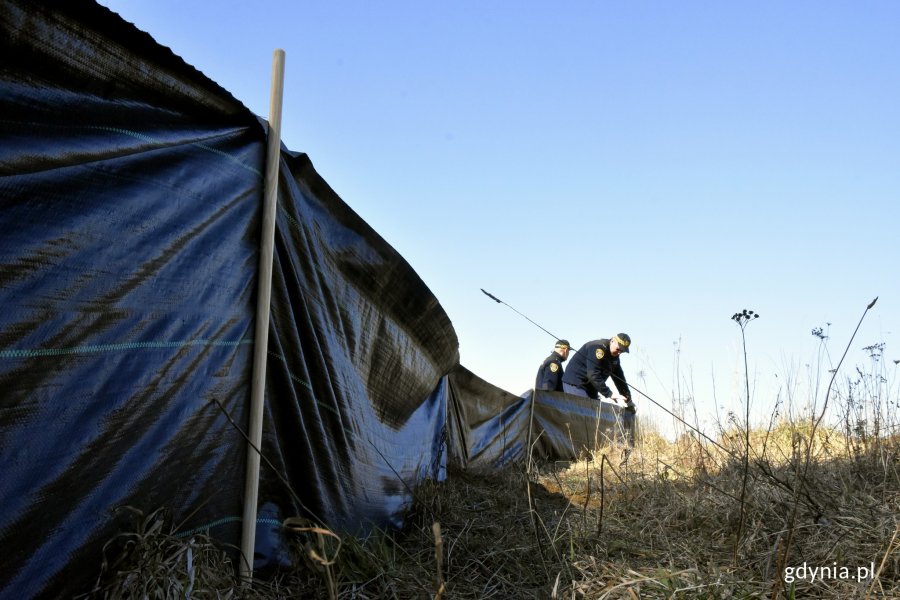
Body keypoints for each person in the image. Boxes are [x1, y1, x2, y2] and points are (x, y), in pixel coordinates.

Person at [561, 333, 635, 412]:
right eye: (618, 349)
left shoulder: (615, 358)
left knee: (593, 414)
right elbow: (593, 374)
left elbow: (620, 380)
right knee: (582, 412)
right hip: (575, 383)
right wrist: (609, 394)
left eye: (622, 351)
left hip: (591, 386)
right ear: (613, 341)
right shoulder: (597, 348)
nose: (619, 353)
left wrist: (629, 400)